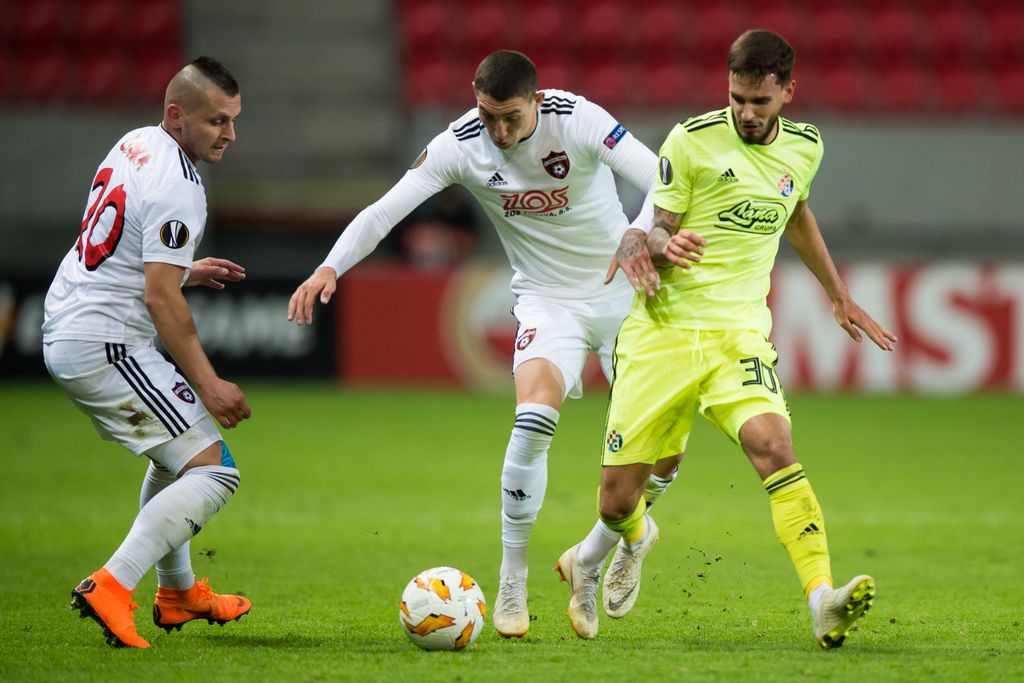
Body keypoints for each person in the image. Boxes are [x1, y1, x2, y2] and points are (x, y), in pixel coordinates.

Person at [288, 49, 692, 638]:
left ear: (535, 100)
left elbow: (662, 176)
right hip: (546, 300)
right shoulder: (460, 145)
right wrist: (330, 267)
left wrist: (637, 233)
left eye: (509, 117)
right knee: (532, 419)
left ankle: (600, 552)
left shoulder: (576, 119)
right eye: (487, 115)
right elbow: (384, 213)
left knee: (666, 457)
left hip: (623, 292)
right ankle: (512, 577)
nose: (498, 131)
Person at [557, 30, 897, 648]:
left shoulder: (807, 148)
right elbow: (653, 229)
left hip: (738, 335)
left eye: (759, 101)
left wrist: (837, 293)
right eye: (737, 96)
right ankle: (588, 558)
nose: (745, 111)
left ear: (788, 93)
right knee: (615, 503)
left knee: (775, 445)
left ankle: (823, 599)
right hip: (662, 334)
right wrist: (664, 244)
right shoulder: (690, 142)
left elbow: (793, 212)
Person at [42, 56, 252, 649]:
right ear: (176, 116)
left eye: (234, 121)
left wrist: (182, 269)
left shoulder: (135, 143)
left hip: (71, 321)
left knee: (175, 458)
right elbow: (160, 300)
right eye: (216, 121)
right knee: (215, 470)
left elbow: (132, 258)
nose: (229, 135)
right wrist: (209, 382)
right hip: (104, 341)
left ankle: (177, 592)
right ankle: (112, 584)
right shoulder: (180, 187)